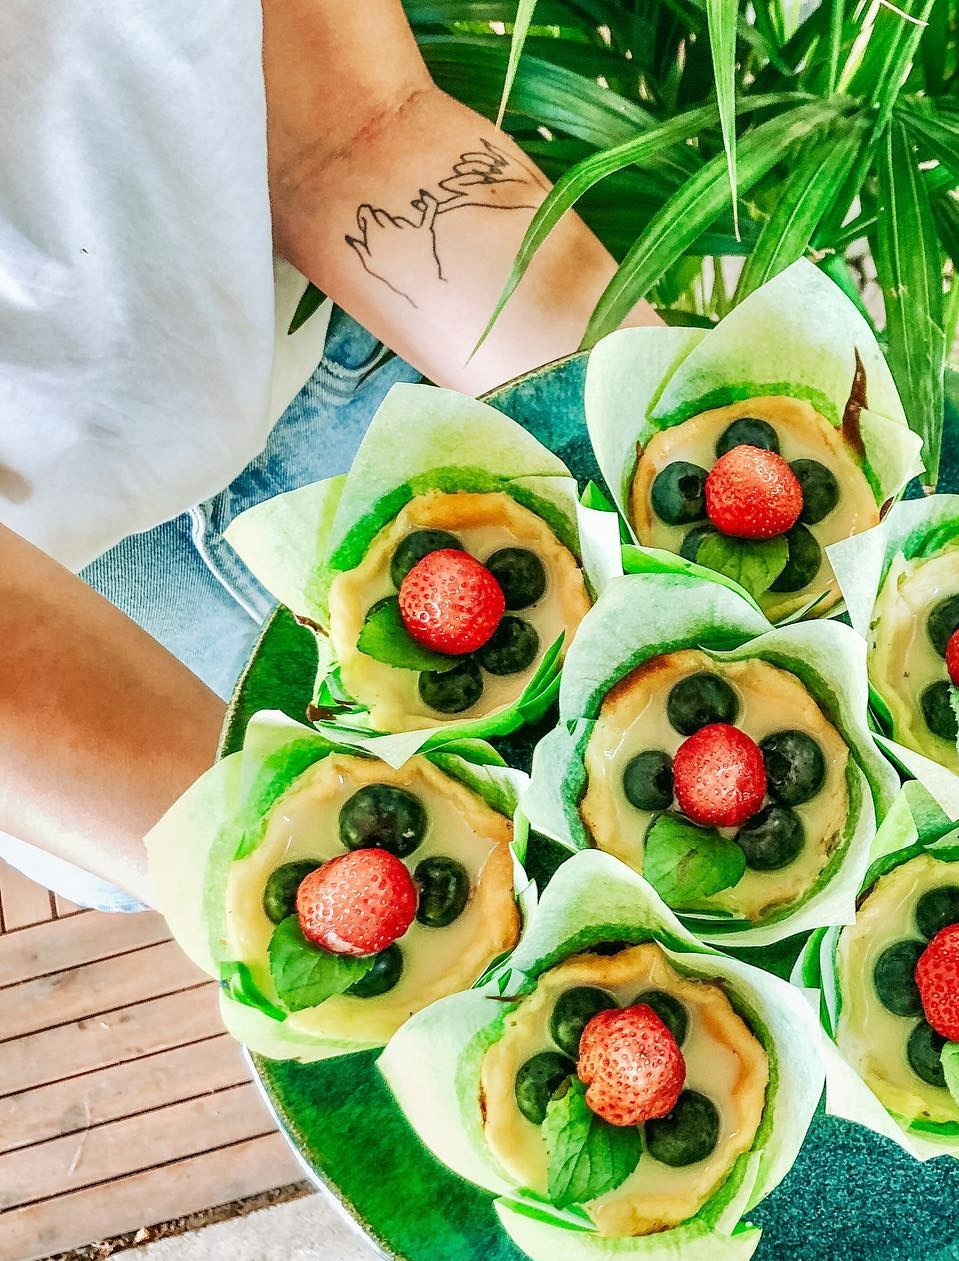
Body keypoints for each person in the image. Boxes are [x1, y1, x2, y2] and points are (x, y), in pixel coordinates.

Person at [0, 0, 653, 908]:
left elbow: (357, 128)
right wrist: (291, 892)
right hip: (70, 622)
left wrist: (666, 437)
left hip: (342, 371)